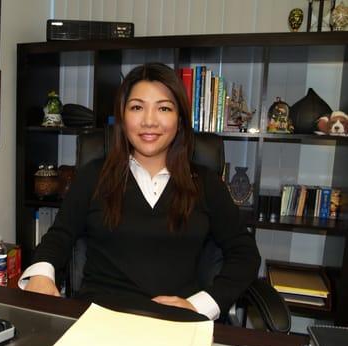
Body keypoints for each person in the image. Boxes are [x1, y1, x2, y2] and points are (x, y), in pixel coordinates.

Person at [18, 62, 260, 320]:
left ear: (179, 119)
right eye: (137, 107)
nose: (149, 121)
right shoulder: (93, 176)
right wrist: (41, 275)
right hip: (101, 322)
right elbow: (59, 237)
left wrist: (202, 305)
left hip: (176, 324)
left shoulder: (206, 183)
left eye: (164, 108)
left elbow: (244, 254)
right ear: (122, 117)